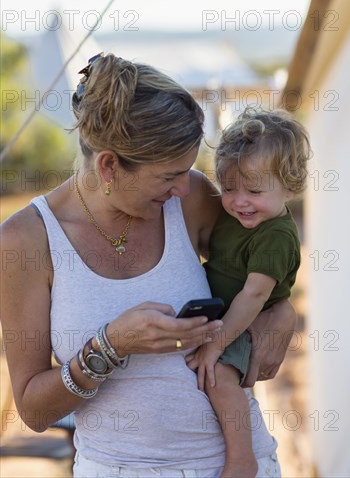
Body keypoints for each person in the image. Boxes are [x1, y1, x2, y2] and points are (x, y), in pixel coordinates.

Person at [1, 53, 296, 478]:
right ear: (109, 166)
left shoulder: (189, 197)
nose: (184, 186)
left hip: (241, 465)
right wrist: (112, 344)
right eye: (168, 176)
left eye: (189, 170)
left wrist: (283, 311)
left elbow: (268, 253)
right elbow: (32, 410)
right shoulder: (26, 239)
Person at [186, 108, 311, 478]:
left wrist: (217, 343)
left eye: (255, 190)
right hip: (222, 312)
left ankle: (242, 460)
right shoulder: (240, 215)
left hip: (242, 322)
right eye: (229, 189)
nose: (239, 201)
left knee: (221, 380)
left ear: (289, 185)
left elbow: (254, 296)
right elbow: (221, 254)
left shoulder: (275, 235)